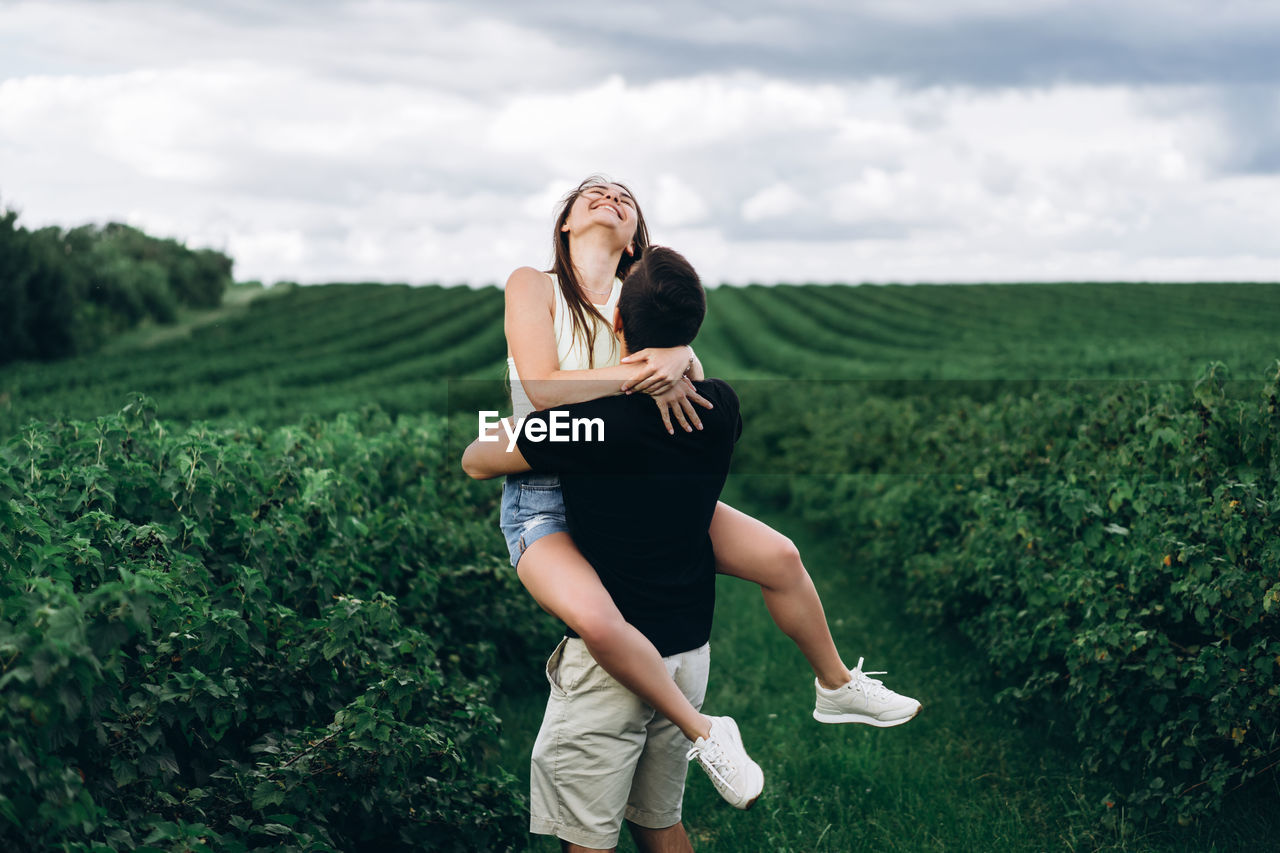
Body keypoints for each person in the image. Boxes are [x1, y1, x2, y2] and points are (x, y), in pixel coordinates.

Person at [497, 176, 920, 797]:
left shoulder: (634, 300)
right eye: (593, 192)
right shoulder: (532, 285)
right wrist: (654, 364)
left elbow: (691, 376)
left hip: (628, 477)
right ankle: (705, 732)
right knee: (600, 619)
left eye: (623, 195)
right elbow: (541, 388)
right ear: (565, 222)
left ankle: (835, 686)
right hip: (545, 491)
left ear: (636, 235)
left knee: (780, 556)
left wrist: (680, 356)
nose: (609, 196)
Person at [463, 246, 760, 850]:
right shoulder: (722, 404)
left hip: (610, 654)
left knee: (589, 835)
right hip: (685, 647)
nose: (609, 196)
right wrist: (674, 362)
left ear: (619, 321)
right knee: (659, 819)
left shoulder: (595, 430)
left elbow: (477, 457)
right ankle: (830, 682)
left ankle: (707, 732)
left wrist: (522, 428)